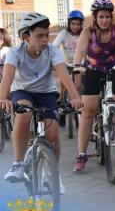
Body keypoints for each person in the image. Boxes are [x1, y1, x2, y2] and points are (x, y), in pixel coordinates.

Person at [1, 13, 83, 190]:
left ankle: (52, 175)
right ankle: (18, 164)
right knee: (25, 114)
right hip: (22, 91)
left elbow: (63, 74)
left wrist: (75, 96)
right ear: (25, 37)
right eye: (40, 36)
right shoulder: (15, 53)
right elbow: (7, 76)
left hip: (46, 92)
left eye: (47, 35)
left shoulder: (52, 50)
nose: (45, 39)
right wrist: (2, 97)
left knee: (52, 133)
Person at [73, 0, 115, 171]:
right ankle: (81, 154)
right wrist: (77, 65)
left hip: (113, 69)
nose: (105, 20)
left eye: (107, 17)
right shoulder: (87, 32)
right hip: (92, 71)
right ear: (95, 18)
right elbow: (80, 51)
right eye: (101, 17)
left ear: (111, 18)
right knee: (88, 111)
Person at [53, 10, 84, 114]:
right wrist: (54, 62)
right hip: (65, 63)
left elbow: (89, 48)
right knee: (63, 86)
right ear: (69, 23)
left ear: (81, 25)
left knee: (78, 86)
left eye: (78, 24)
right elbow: (54, 47)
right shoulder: (63, 33)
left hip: (79, 63)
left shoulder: (83, 34)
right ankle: (61, 102)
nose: (75, 26)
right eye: (73, 24)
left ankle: (78, 105)